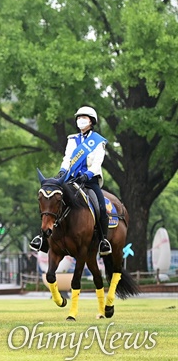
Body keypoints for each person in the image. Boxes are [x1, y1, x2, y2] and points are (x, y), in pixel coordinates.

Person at [30, 106, 111, 256]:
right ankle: (42, 238)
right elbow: (67, 158)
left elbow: (97, 162)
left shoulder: (98, 141)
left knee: (100, 207)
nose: (81, 121)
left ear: (91, 121)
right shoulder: (72, 139)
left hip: (89, 180)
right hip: (71, 179)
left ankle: (103, 241)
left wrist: (87, 175)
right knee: (50, 200)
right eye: (79, 118)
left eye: (84, 118)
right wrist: (62, 171)